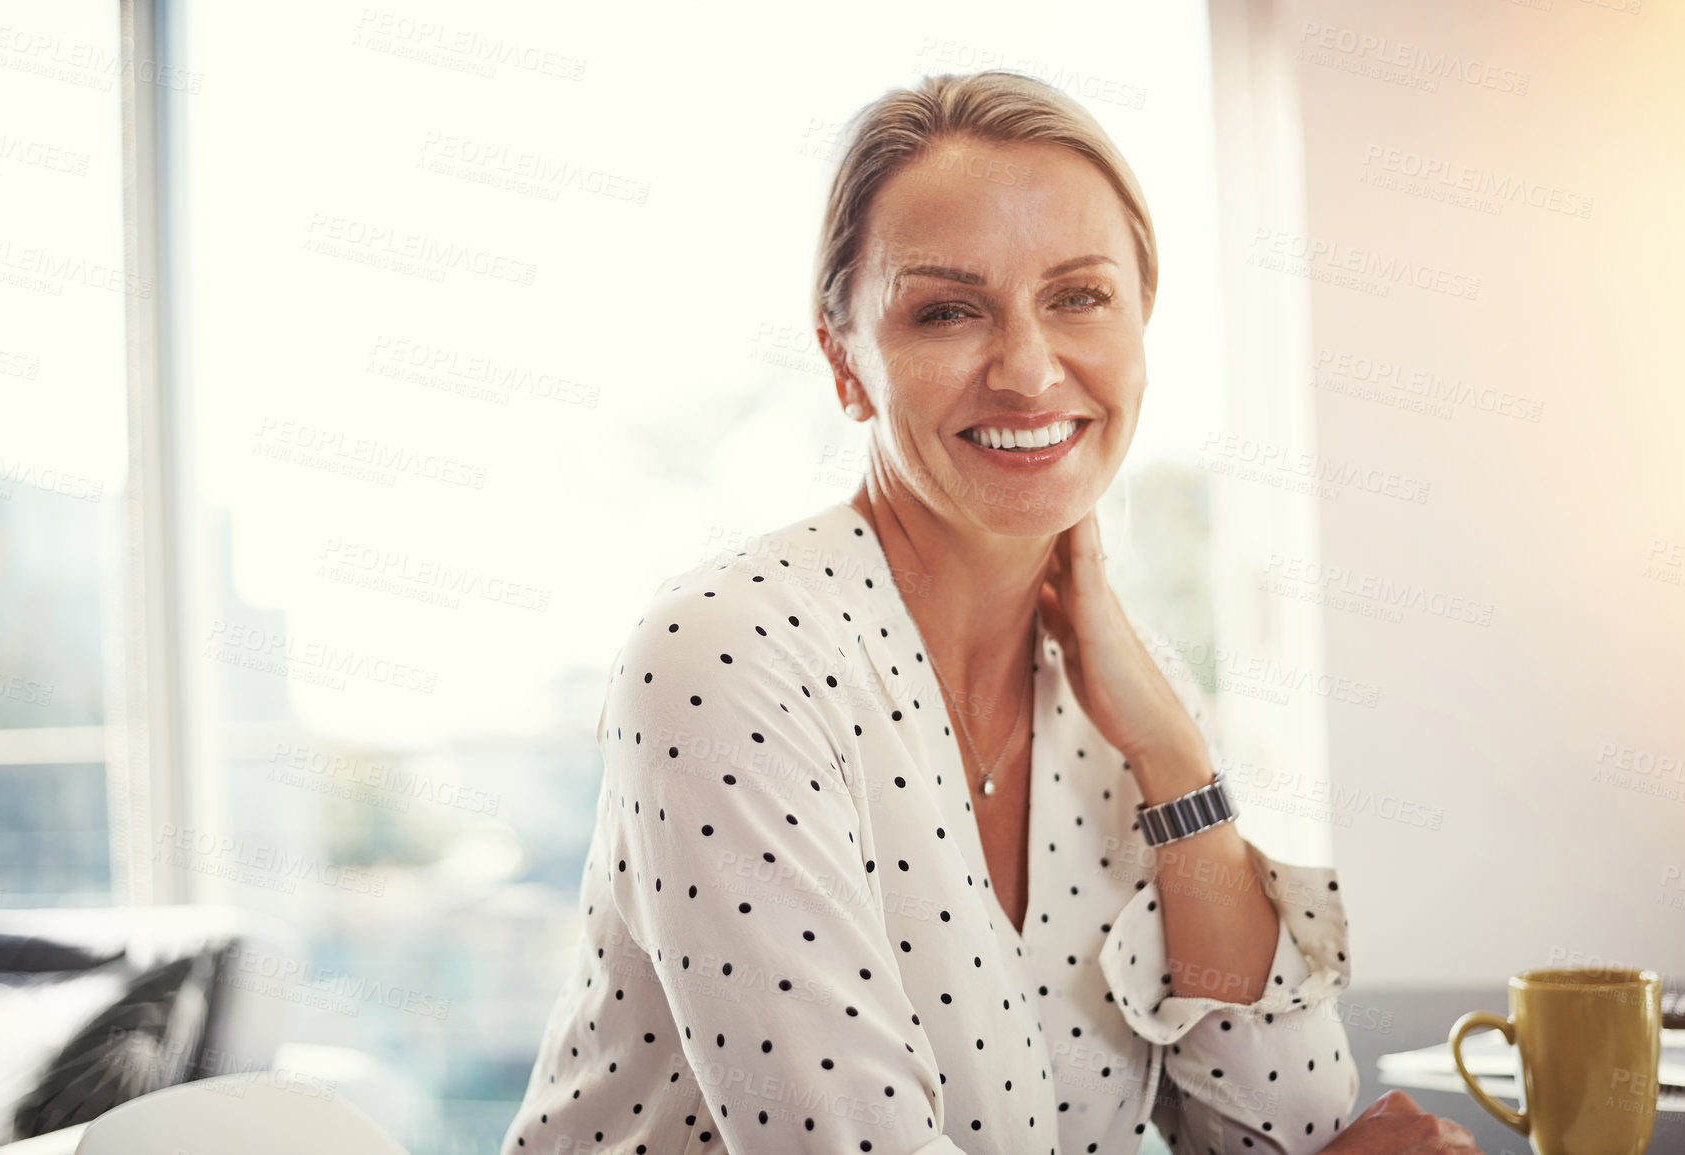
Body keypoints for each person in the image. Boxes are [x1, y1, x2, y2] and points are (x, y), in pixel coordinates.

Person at [501, 70, 1482, 1155]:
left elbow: (1282, 1129)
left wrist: (1173, 760)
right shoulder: (730, 658)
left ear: (1141, 327)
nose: (1027, 369)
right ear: (846, 365)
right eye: (946, 312)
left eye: (1079, 297)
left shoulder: (1129, 690)